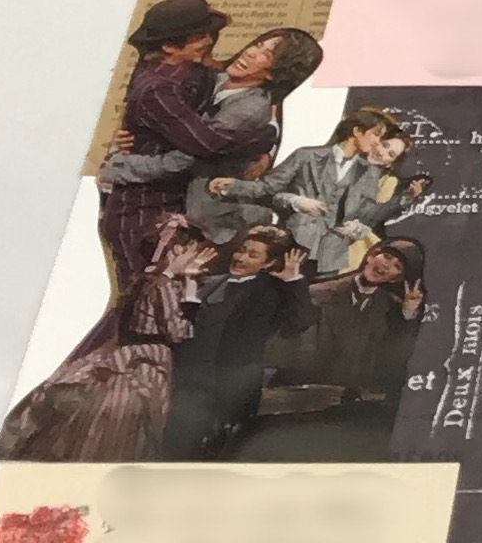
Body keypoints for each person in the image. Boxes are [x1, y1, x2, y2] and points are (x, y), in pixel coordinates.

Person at [0, 223, 215, 462]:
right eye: (192, 252)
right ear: (176, 251)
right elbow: (177, 332)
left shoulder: (145, 278)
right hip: (147, 360)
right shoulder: (165, 285)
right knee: (130, 424)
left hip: (122, 353)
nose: (195, 259)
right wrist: (191, 291)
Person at [100, 24, 324, 250]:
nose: (250, 52)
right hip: (169, 198)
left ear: (275, 73)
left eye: (266, 54)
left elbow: (188, 157)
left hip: (206, 224)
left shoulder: (249, 109)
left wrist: (118, 166)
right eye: (258, 44)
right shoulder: (212, 78)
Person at [98, 0, 231, 284]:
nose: (208, 40)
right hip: (143, 214)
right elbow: (204, 143)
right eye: (200, 36)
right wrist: (258, 138)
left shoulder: (192, 72)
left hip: (173, 206)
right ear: (169, 46)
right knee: (149, 299)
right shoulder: (158, 89)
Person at [161, 223, 312, 458]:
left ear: (269, 263)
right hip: (191, 381)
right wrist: (188, 283)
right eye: (241, 250)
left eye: (253, 255)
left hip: (233, 386)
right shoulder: (209, 283)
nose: (240, 258)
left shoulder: (274, 291)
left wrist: (294, 282)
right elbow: (183, 325)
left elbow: (299, 323)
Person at [249, 108, 412, 277]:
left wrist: (359, 229)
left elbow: (367, 217)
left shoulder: (373, 177)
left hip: (331, 258)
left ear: (391, 163)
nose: (379, 148)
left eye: (390, 154)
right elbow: (269, 192)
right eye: (382, 142)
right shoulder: (311, 156)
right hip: (295, 243)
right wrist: (295, 201)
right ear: (357, 132)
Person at [272, 237, 426, 403]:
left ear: (396, 278)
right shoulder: (318, 294)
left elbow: (394, 354)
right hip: (302, 393)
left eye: (397, 266)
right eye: (387, 257)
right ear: (371, 256)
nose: (387, 265)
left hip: (349, 401)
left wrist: (408, 312)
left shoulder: (391, 309)